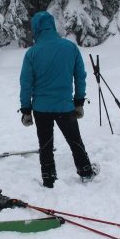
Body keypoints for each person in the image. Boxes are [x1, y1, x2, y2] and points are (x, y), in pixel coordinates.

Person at [19, 11, 99, 188]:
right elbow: (80, 76)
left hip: (41, 109)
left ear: (36, 29)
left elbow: (26, 83)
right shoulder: (69, 48)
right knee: (75, 141)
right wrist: (79, 102)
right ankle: (85, 171)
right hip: (65, 106)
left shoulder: (32, 53)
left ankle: (49, 179)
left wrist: (26, 110)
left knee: (45, 145)